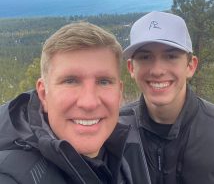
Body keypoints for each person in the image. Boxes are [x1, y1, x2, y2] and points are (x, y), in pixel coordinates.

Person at [0, 21, 133, 184]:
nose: (89, 103)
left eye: (104, 82)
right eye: (70, 81)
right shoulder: (13, 175)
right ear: (43, 94)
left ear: (119, 93)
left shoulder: (122, 149)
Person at [119, 11, 214, 184]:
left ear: (191, 66)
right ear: (131, 68)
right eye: (145, 57)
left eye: (171, 56)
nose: (157, 70)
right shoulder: (114, 130)